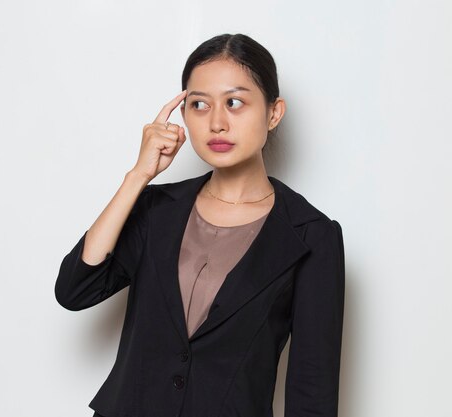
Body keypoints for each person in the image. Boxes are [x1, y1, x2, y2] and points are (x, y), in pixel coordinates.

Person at [55, 33, 345, 417]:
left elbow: (313, 389)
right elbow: (75, 290)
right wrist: (139, 176)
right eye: (199, 105)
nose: (216, 123)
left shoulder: (310, 235)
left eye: (235, 102)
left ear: (274, 113)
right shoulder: (157, 209)